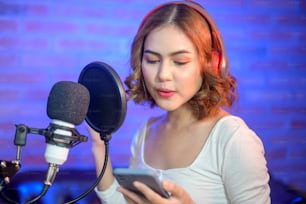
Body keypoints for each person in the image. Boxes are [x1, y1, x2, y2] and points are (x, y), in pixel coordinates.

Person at [90, 1, 271, 203]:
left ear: (211, 64)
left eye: (180, 62)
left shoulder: (233, 139)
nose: (163, 75)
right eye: (152, 60)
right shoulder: (146, 132)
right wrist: (99, 145)